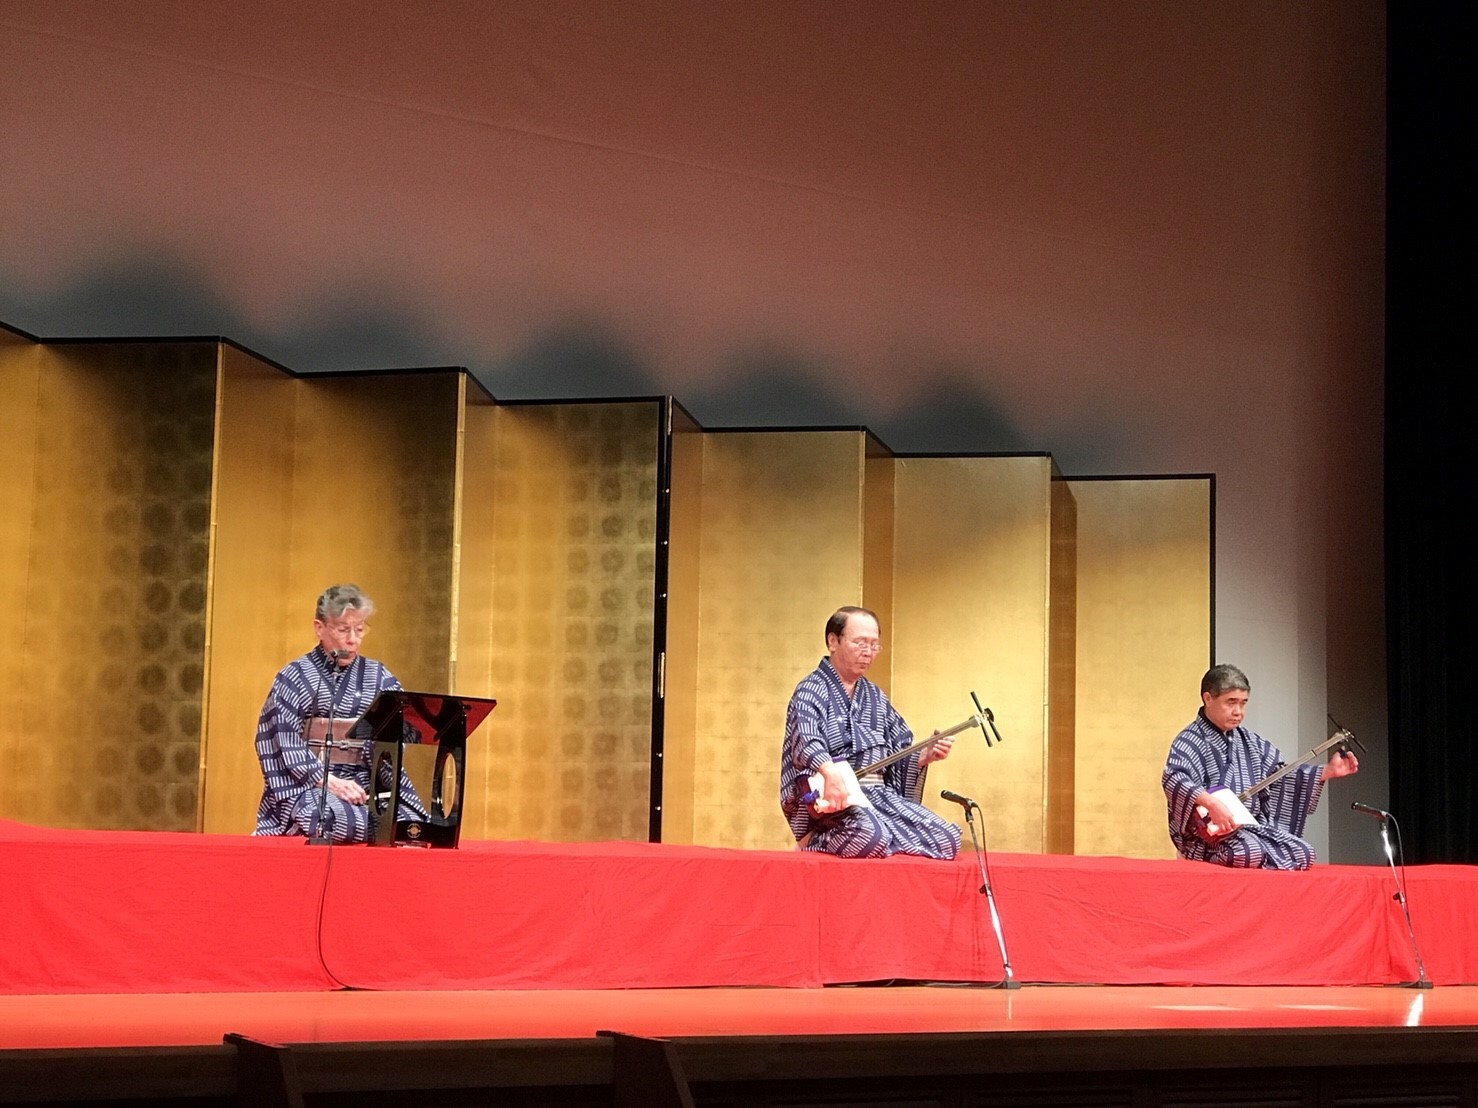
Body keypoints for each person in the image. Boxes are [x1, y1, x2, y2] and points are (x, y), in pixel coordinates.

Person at [780, 606, 962, 859]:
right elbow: (806, 741)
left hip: (878, 796)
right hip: (833, 799)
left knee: (946, 838)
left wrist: (924, 755)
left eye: (874, 645)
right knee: (870, 835)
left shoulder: (875, 696)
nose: (868, 652)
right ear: (833, 641)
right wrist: (830, 772)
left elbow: (898, 750)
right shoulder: (811, 690)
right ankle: (815, 840)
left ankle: (885, 837)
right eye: (860, 643)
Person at [253, 584, 425, 842]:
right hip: (309, 785)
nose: (353, 639)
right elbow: (280, 740)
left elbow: (402, 731)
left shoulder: (379, 676)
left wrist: (378, 746)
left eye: (360, 629)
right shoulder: (294, 676)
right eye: (343, 630)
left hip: (366, 783)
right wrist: (327, 781)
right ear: (319, 628)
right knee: (325, 818)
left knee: (411, 824)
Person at [1162, 663, 1358, 869]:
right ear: (1208, 698)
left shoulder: (1249, 741)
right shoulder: (1189, 740)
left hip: (1250, 829)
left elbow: (1279, 775)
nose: (1238, 712)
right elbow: (1174, 778)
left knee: (1303, 853)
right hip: (1207, 837)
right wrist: (1211, 804)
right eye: (1231, 702)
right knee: (1248, 852)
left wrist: (1327, 771)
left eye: (1243, 703)